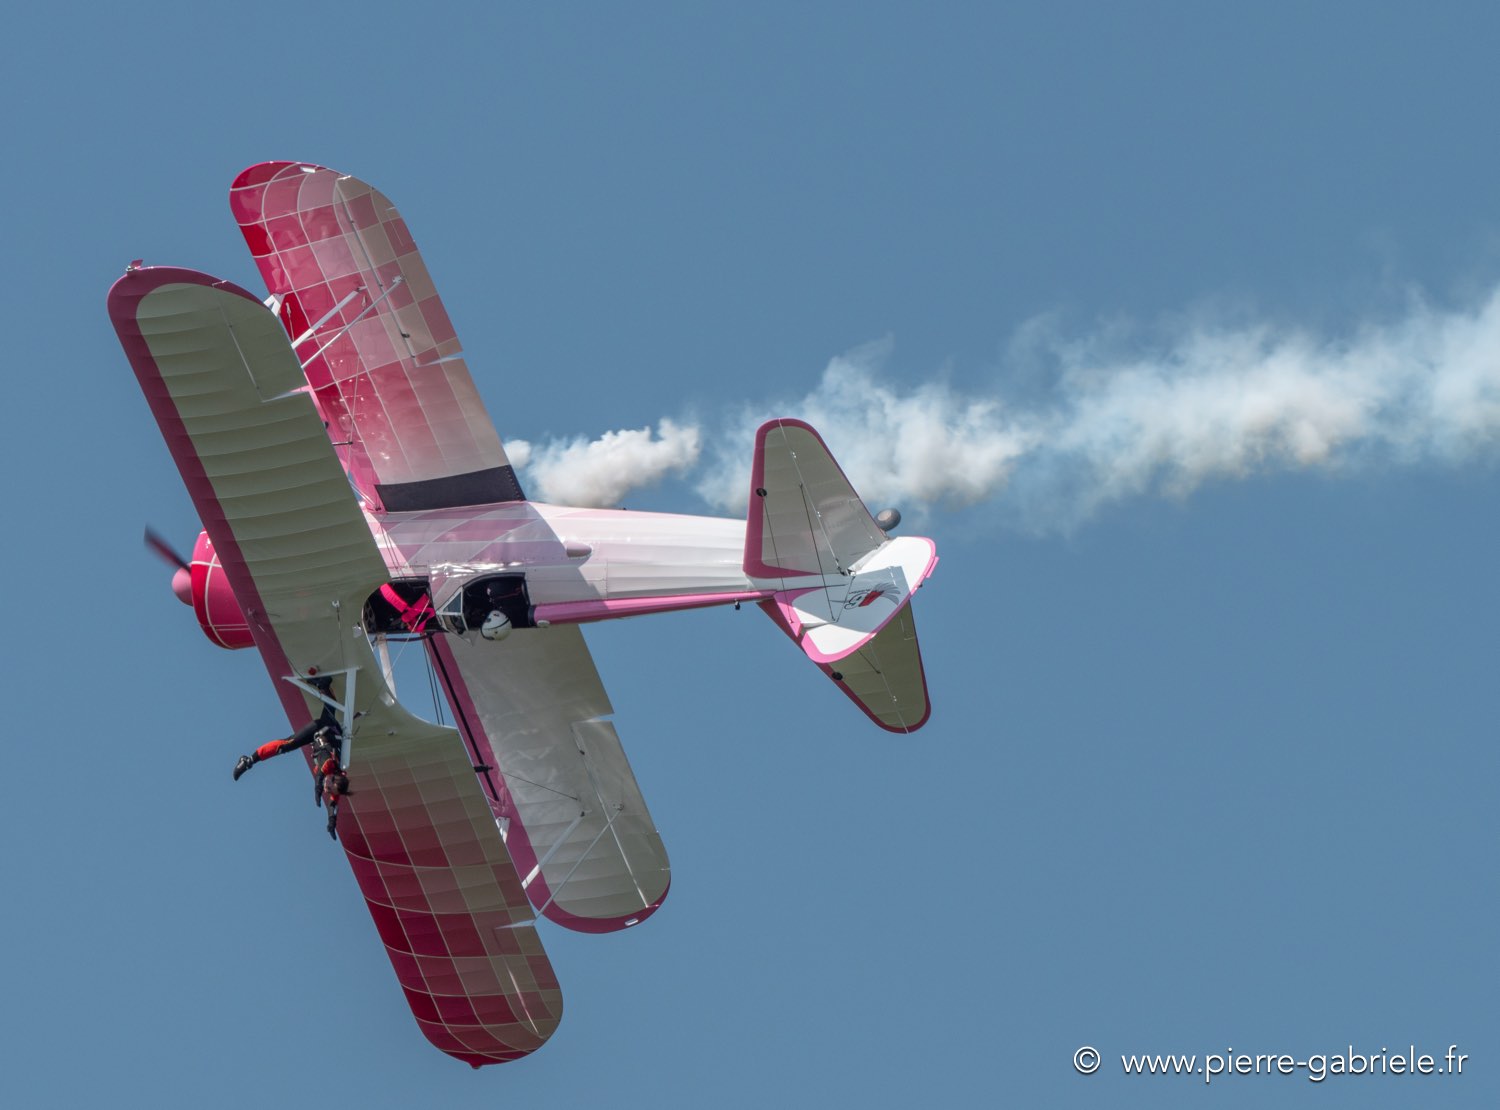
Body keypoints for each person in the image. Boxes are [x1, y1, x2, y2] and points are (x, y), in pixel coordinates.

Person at [233, 680, 352, 839]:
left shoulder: (337, 777)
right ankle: (248, 760)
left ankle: (324, 685)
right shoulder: (329, 764)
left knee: (330, 709)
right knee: (287, 745)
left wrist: (331, 822)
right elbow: (320, 777)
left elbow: (333, 803)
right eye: (329, 788)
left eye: (328, 790)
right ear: (333, 779)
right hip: (320, 730)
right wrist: (317, 792)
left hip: (326, 732)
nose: (327, 790)